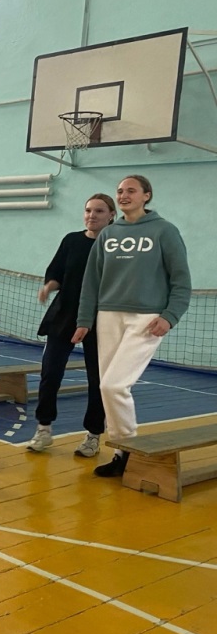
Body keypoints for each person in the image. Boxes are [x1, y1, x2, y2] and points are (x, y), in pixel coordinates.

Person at [74, 175, 191, 477]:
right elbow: (91, 280)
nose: (124, 195)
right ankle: (122, 452)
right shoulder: (108, 234)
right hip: (108, 316)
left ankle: (128, 448)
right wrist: (84, 320)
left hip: (146, 319)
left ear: (146, 196)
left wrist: (170, 316)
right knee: (108, 387)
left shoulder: (164, 231)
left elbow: (181, 280)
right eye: (120, 191)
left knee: (113, 385)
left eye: (131, 191)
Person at [26, 194, 115, 456]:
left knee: (97, 379)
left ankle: (93, 435)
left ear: (112, 215)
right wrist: (49, 287)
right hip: (64, 316)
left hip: (101, 320)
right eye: (88, 210)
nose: (92, 215)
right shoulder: (72, 240)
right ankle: (43, 429)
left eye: (99, 211)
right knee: (50, 372)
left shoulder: (116, 245)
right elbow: (57, 273)